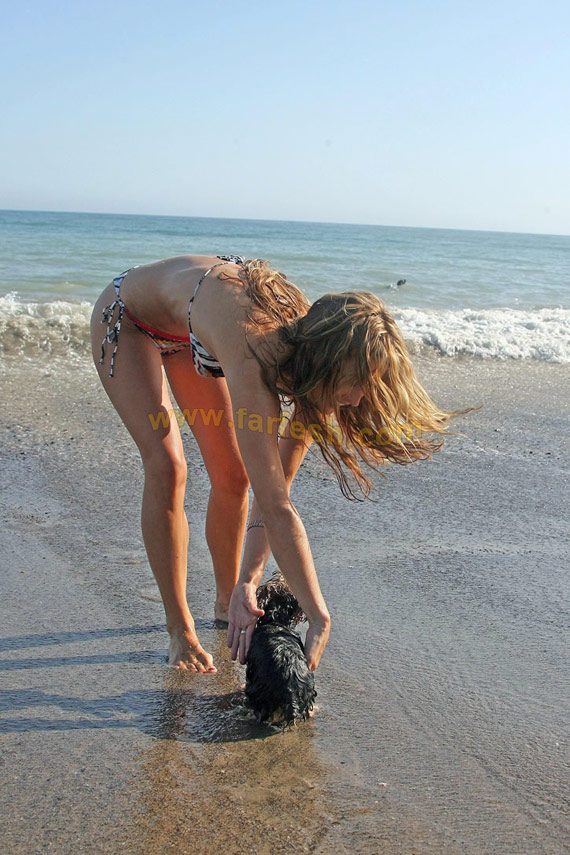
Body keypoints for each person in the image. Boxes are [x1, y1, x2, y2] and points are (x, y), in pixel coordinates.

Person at [90, 254, 456, 674]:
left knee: (235, 476)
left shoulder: (314, 355)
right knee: (168, 466)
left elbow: (277, 486)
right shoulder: (256, 355)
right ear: (330, 360)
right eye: (356, 382)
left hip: (190, 330)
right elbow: (278, 509)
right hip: (130, 319)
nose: (357, 399)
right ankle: (180, 631)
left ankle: (229, 601)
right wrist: (318, 615)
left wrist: (249, 581)